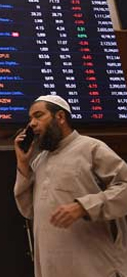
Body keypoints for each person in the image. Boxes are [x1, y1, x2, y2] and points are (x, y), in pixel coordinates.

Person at [14, 95, 127, 277]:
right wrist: (23, 164)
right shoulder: (40, 161)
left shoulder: (91, 148)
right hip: (51, 268)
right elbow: (28, 211)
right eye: (30, 119)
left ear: (60, 117)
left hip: (94, 267)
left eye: (38, 115)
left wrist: (84, 206)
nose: (32, 124)